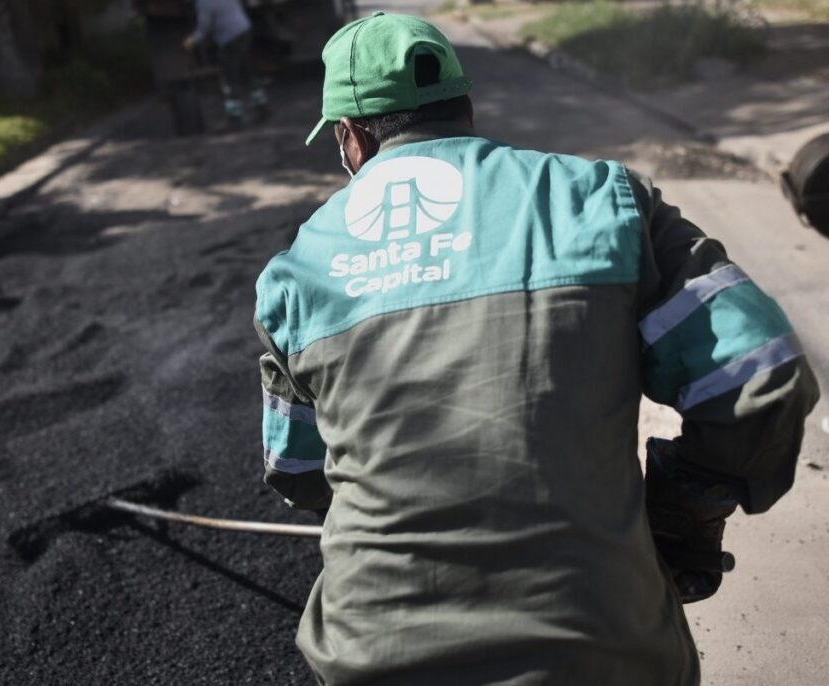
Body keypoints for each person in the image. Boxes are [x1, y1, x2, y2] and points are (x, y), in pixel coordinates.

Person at [254, 12, 820, 686]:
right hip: (605, 655)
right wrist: (681, 515)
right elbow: (761, 374)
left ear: (349, 137)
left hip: (373, 659)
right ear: (463, 108)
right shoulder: (600, 201)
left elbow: (294, 467)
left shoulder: (296, 274)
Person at [182, 0, 268, 128]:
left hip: (229, 39)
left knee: (229, 78)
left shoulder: (204, 3)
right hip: (244, 30)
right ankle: (262, 107)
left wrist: (192, 41)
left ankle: (235, 117)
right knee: (246, 72)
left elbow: (204, 28)